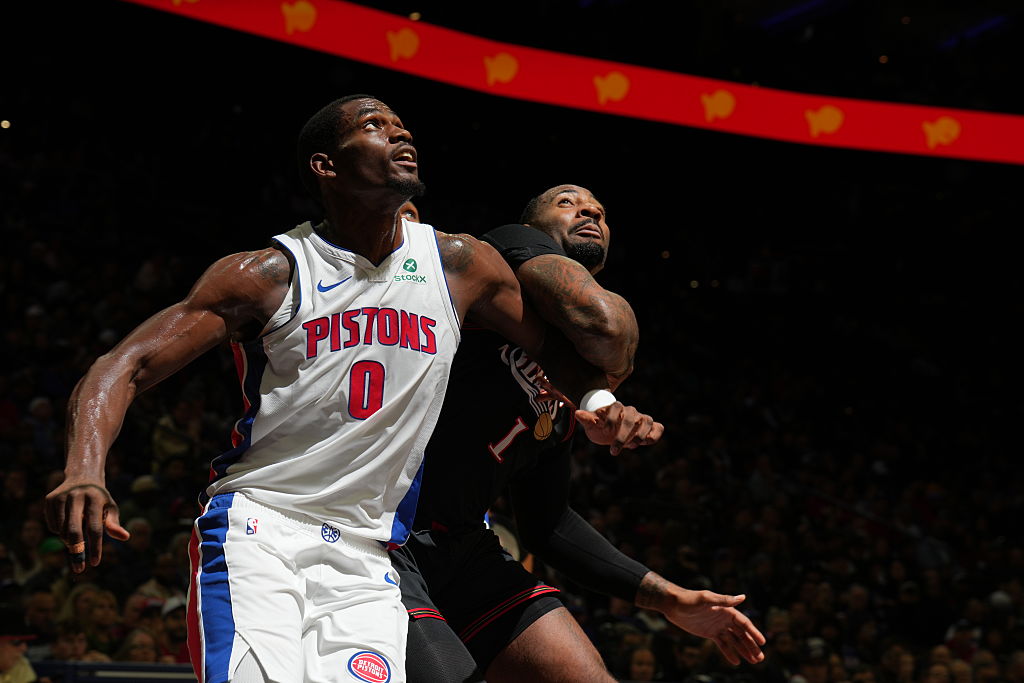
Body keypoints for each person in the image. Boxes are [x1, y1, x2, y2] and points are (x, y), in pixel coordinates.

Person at [43, 95, 628, 683]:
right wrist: (84, 469)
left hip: (368, 556)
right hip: (260, 527)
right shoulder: (271, 273)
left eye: (403, 126)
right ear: (326, 166)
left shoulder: (461, 265)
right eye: (375, 127)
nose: (401, 136)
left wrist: (598, 402)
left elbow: (558, 351)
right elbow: (126, 364)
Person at [391, 186, 766, 683]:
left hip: (462, 545)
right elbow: (605, 324)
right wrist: (603, 395)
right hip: (385, 531)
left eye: (601, 212)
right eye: (568, 203)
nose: (590, 210)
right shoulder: (499, 256)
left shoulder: (567, 388)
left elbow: (548, 526)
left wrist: (670, 598)